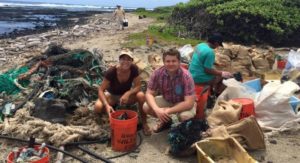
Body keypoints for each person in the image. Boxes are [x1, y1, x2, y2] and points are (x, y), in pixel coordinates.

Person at [94, 48, 151, 135]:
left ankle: (144, 123)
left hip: (125, 97)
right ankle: (110, 113)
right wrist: (106, 105)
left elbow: (138, 86)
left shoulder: (134, 69)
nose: (126, 62)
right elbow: (101, 90)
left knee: (141, 95)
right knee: (98, 107)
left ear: (132, 61)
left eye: (128, 59)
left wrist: (128, 93)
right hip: (112, 95)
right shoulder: (111, 72)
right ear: (119, 60)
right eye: (123, 59)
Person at [143, 48, 196, 133]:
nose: (171, 64)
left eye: (174, 61)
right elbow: (149, 93)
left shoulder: (186, 76)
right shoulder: (157, 73)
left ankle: (182, 128)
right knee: (146, 107)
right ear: (164, 62)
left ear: (179, 62)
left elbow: (189, 103)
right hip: (167, 99)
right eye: (168, 61)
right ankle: (166, 122)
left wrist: (167, 111)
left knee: (186, 116)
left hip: (182, 102)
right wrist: (157, 109)